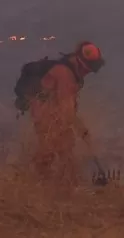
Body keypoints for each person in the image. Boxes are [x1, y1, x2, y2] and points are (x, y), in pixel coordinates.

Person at [30, 41, 104, 184]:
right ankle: (47, 186)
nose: (88, 73)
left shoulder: (68, 72)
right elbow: (66, 109)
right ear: (81, 63)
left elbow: (68, 108)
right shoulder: (65, 75)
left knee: (61, 152)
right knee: (55, 153)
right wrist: (79, 129)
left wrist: (81, 128)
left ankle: (57, 184)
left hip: (49, 116)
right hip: (47, 117)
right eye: (88, 69)